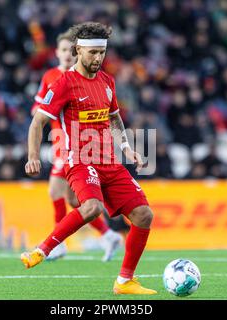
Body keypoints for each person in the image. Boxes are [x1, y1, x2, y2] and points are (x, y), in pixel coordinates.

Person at [22, 22, 157, 295]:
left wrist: (127, 149)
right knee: (91, 206)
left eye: (101, 53)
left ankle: (124, 281)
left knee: (144, 215)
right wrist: (33, 156)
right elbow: (37, 123)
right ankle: (43, 250)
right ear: (78, 50)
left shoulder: (107, 82)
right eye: (92, 53)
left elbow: (114, 117)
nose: (98, 59)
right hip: (79, 160)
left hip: (110, 160)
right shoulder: (63, 83)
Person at [30, 30, 122, 261]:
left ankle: (58, 244)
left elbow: (109, 114)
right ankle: (108, 234)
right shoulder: (52, 77)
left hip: (72, 144)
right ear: (57, 53)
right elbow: (39, 110)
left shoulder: (86, 79)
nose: (66, 55)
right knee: (73, 199)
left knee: (55, 190)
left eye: (69, 51)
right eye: (62, 50)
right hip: (59, 138)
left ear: (77, 52)